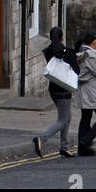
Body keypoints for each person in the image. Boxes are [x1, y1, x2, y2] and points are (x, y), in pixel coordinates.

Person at [33, 26, 77, 159]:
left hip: (53, 88)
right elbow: (77, 70)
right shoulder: (68, 52)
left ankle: (64, 148)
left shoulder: (48, 51)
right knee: (63, 120)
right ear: (62, 37)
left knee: (66, 118)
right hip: (64, 89)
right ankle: (41, 139)